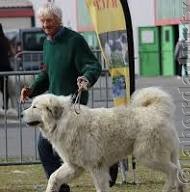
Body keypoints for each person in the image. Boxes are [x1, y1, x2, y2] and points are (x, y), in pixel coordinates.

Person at [20, 3, 118, 192]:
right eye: (42, 21)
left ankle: (108, 164)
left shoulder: (75, 40)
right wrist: (31, 90)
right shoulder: (48, 43)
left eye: (49, 20)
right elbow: (47, 74)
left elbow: (93, 65)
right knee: (48, 148)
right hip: (52, 109)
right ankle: (61, 187)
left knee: (56, 148)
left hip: (73, 106)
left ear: (58, 20)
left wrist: (87, 77)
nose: (45, 25)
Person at [0, 23, 13, 109]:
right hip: (6, 67)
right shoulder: (6, 40)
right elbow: (12, 53)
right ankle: (5, 105)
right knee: (5, 87)